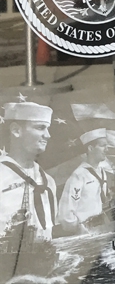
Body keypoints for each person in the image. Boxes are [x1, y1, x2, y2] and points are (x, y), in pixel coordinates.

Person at [0, 102, 57, 243]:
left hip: (43, 257)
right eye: (40, 128)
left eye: (48, 129)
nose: (48, 135)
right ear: (16, 131)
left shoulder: (48, 181)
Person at [57, 129, 114, 235]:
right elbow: (65, 214)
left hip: (101, 231)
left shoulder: (102, 173)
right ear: (90, 148)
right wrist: (80, 230)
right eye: (102, 145)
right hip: (85, 234)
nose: (107, 149)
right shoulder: (78, 176)